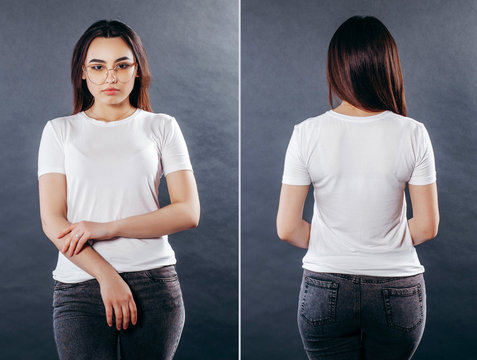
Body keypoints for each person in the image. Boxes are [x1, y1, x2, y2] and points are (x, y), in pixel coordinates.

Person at [277, 16, 439, 360]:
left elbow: (288, 228)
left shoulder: (307, 133)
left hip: (324, 287)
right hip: (398, 289)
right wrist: (379, 244)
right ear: (388, 66)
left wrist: (339, 244)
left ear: (337, 68)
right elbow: (426, 226)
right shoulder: (414, 133)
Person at [38, 20, 200, 360]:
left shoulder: (162, 127)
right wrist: (106, 276)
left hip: (154, 286)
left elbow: (188, 212)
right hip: (79, 285)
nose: (110, 77)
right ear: (83, 73)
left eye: (122, 65)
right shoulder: (59, 132)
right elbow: (53, 221)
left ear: (137, 70)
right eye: (98, 67)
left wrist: (106, 227)